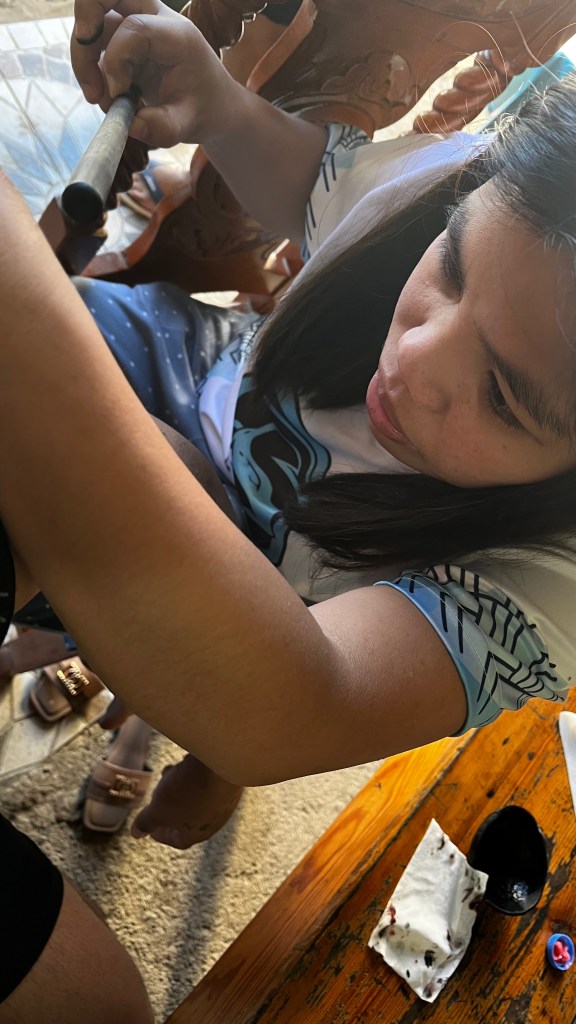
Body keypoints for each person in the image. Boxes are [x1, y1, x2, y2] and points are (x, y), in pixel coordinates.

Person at [1, 4, 576, 1006]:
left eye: (503, 397)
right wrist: (217, 101)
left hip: (255, 605)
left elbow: (303, 697)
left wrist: (226, 760)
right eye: (446, 268)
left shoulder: (549, 584)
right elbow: (325, 186)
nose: (415, 362)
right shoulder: (489, 193)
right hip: (167, 363)